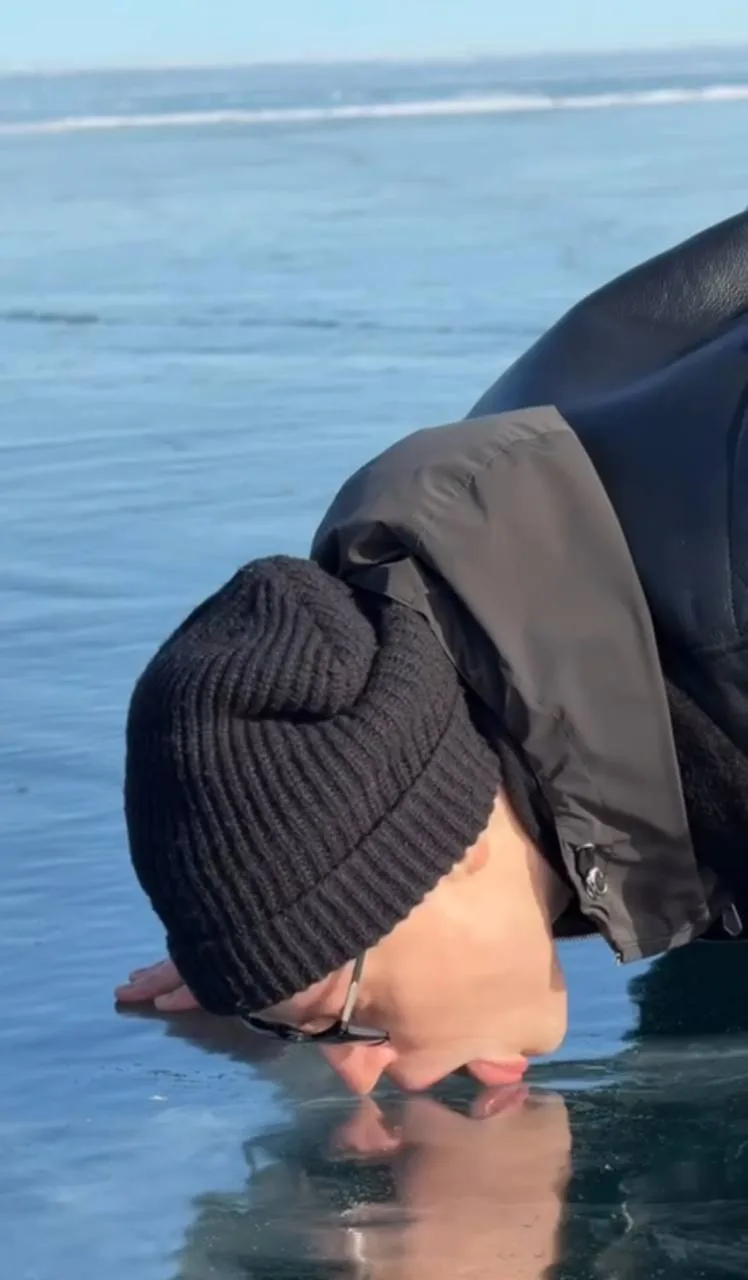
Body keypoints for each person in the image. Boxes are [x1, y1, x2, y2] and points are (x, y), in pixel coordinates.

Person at [116, 209, 748, 1097]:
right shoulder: (478, 566)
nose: (359, 1076)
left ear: (454, 855)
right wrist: (272, 941)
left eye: (349, 1020)